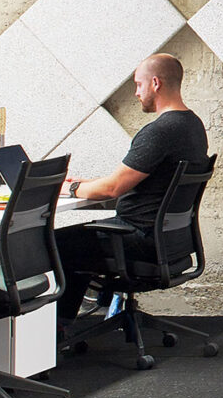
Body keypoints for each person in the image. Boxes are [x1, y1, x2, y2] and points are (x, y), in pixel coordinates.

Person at [52, 53, 210, 324]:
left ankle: (56, 332)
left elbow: (113, 189)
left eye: (139, 84)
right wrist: (84, 184)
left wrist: (72, 188)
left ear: (156, 83)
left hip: (137, 238)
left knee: (53, 243)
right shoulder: (192, 126)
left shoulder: (159, 132)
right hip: (170, 241)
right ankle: (62, 328)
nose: (137, 93)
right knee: (75, 242)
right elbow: (130, 178)